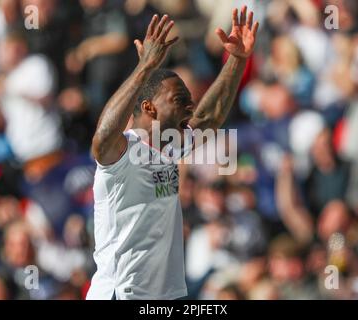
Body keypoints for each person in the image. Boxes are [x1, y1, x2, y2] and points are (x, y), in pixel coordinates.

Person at [87, 6, 259, 300]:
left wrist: (237, 60)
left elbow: (209, 116)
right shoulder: (124, 152)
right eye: (180, 100)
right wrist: (144, 69)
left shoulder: (170, 148)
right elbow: (102, 138)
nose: (190, 108)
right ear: (149, 107)